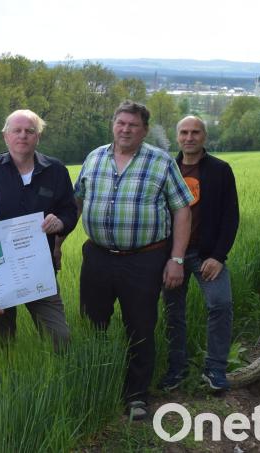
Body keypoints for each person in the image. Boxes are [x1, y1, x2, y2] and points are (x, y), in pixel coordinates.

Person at [73, 101, 193, 421]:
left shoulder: (161, 162)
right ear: (113, 124)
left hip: (144, 259)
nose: (125, 129)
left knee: (140, 327)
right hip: (97, 257)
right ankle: (96, 385)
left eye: (133, 125)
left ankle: (136, 395)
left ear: (144, 130)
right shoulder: (94, 157)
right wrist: (55, 243)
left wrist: (177, 259)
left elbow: (182, 209)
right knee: (92, 323)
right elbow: (76, 200)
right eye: (121, 123)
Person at [0, 109, 77, 350]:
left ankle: (61, 378)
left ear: (38, 137)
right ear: (6, 136)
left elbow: (70, 210)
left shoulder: (55, 170)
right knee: (3, 342)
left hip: (39, 268)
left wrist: (61, 223)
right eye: (17, 130)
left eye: (29, 131)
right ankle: (9, 378)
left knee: (60, 338)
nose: (23, 136)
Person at [160, 116, 239, 392]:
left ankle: (215, 369)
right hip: (172, 256)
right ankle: (176, 369)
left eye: (195, 132)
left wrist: (219, 256)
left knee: (220, 305)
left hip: (207, 255)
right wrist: (169, 256)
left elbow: (231, 217)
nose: (189, 137)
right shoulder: (166, 168)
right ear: (177, 136)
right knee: (173, 313)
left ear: (204, 136)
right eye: (184, 132)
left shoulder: (220, 170)